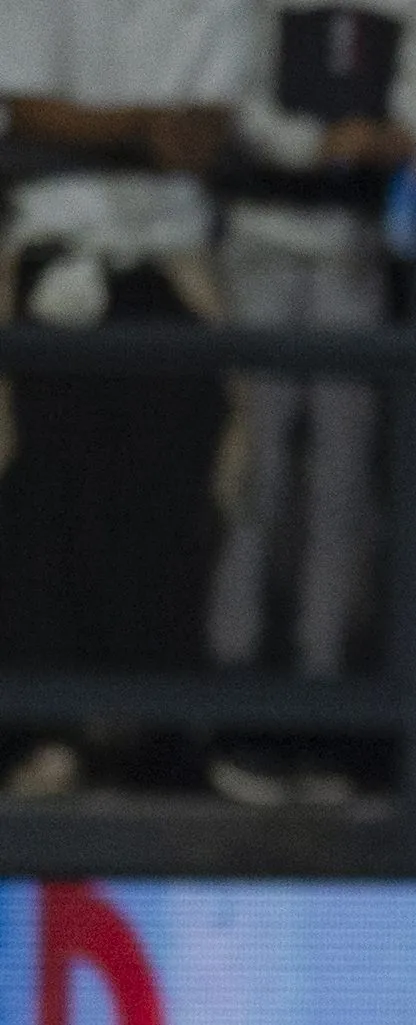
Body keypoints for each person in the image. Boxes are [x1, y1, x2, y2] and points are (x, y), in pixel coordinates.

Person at [203, 0, 416, 807]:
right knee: (255, 464)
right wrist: (316, 143)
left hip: (354, 246)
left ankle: (324, 678)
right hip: (261, 235)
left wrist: (399, 136)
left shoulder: (405, 6)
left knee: (344, 471)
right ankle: (234, 675)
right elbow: (237, 101)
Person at [0, 0, 246, 799]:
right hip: (57, 258)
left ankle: (159, 735)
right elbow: (25, 102)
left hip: (173, 268)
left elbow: (203, 130)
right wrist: (140, 126)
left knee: (174, 505)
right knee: (46, 496)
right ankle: (53, 732)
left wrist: (147, 134)